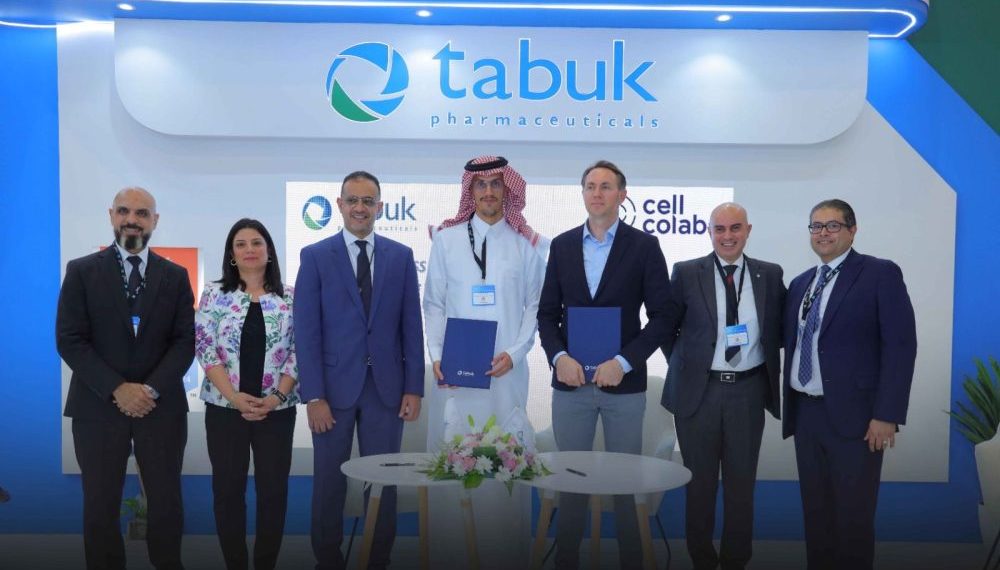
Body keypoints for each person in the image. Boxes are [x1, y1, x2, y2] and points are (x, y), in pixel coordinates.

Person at [537, 160, 680, 569]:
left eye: (605, 186)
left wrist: (624, 361)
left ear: (622, 194)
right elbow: (547, 315)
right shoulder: (562, 245)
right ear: (582, 193)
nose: (597, 193)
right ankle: (566, 560)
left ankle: (632, 560)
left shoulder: (644, 246)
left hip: (624, 387)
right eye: (590, 186)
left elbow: (664, 316)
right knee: (571, 481)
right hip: (571, 386)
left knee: (625, 484)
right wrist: (559, 357)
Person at [56, 187, 194, 569]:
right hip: (97, 406)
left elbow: (185, 341)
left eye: (142, 213)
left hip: (160, 407)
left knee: (166, 504)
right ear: (111, 215)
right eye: (124, 211)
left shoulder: (176, 276)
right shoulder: (81, 271)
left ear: (155, 220)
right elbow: (69, 339)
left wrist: (148, 390)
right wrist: (118, 389)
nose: (132, 219)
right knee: (100, 507)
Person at [295, 171, 424, 570]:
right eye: (352, 200)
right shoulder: (315, 256)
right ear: (339, 204)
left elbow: (411, 327)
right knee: (328, 481)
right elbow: (306, 331)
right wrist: (313, 395)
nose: (360, 208)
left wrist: (414, 387)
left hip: (386, 390)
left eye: (368, 201)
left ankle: (377, 558)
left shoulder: (401, 256)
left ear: (380, 207)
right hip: (331, 392)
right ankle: (327, 560)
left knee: (383, 481)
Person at [422, 155, 546, 566]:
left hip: (507, 375)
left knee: (506, 462)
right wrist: (437, 355)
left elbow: (536, 306)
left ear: (507, 189)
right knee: (454, 456)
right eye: (481, 185)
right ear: (470, 190)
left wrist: (516, 352)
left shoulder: (525, 243)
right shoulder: (446, 240)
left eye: (496, 184)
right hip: (456, 376)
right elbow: (434, 304)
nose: (489, 192)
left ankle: (505, 554)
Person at [783, 199, 917, 570]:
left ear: (852, 230)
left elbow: (900, 346)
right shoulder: (801, 284)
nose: (823, 233)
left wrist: (887, 414)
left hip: (858, 420)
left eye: (832, 225)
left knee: (853, 519)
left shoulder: (879, 274)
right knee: (816, 516)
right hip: (806, 415)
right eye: (816, 226)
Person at [660, 202, 786, 570]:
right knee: (699, 485)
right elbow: (667, 330)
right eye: (720, 229)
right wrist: (690, 368)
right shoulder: (686, 272)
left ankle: (735, 560)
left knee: (741, 485)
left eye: (735, 228)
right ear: (710, 232)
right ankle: (701, 559)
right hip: (700, 393)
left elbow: (779, 329)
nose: (727, 236)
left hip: (748, 391)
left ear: (748, 230)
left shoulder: (769, 274)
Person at [194, 218, 299, 570]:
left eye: (257, 242)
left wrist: (276, 398)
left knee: (273, 493)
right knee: (227, 492)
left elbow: (300, 351)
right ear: (232, 254)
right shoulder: (214, 294)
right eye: (241, 244)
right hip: (225, 409)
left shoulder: (291, 297)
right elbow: (205, 349)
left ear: (269, 251)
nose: (249, 249)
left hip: (276, 410)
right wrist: (234, 397)